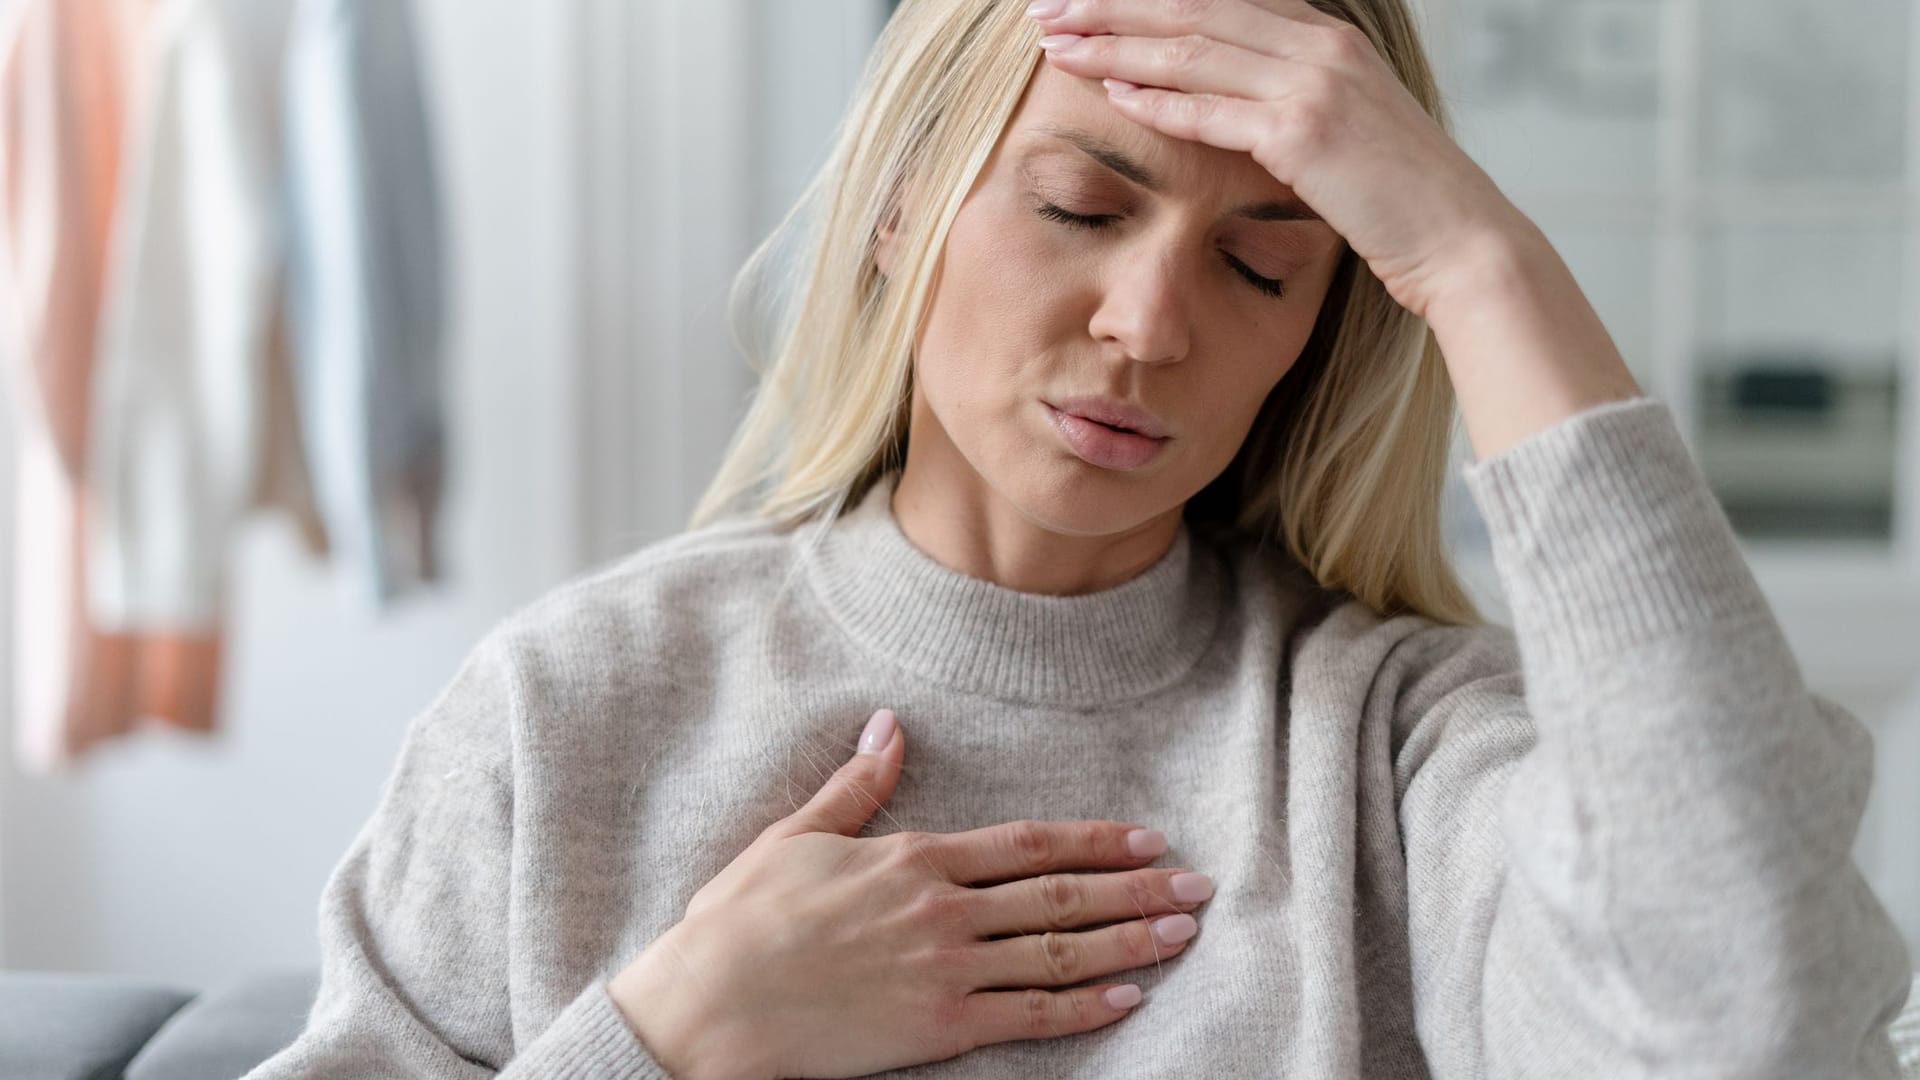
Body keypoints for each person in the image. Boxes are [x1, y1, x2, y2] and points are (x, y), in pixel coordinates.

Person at [244, 0, 1915, 1077]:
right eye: (1081, 208)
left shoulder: (1398, 762)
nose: (1149, 323)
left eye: (1265, 266)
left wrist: (1483, 264)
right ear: (901, 208)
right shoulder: (578, 703)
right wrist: (671, 1036)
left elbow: (1749, 1015)